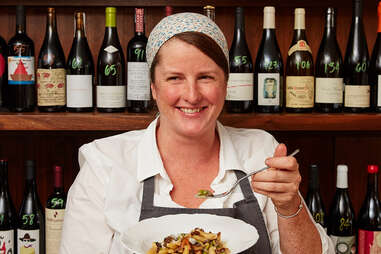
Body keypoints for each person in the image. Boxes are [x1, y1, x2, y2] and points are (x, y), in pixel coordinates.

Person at [60, 12, 334, 254]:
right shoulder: (104, 163)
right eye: (174, 78)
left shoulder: (261, 153)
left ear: (226, 85)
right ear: (154, 87)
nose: (191, 95)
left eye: (205, 77)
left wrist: (289, 206)